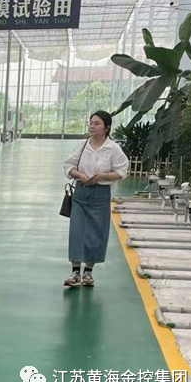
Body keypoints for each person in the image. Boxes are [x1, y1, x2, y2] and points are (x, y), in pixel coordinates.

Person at [63, 110, 129, 287]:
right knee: (77, 230)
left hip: (100, 194)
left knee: (96, 232)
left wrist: (103, 176)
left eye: (97, 123)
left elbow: (122, 171)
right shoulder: (82, 145)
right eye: (91, 122)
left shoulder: (113, 149)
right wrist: (79, 174)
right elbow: (68, 166)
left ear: (107, 128)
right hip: (81, 192)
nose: (92, 126)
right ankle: (75, 272)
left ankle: (88, 272)